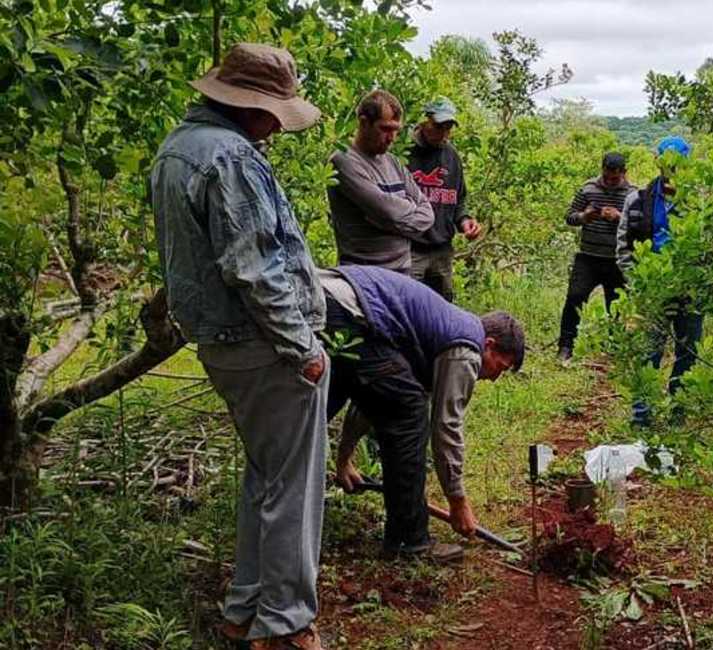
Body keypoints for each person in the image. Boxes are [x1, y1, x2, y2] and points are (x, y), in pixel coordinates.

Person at [150, 43, 328, 650]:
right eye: (275, 114)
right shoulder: (231, 158)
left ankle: (245, 607)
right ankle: (284, 624)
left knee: (267, 478)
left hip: (221, 344)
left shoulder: (177, 149)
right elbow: (255, 270)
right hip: (264, 347)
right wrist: (302, 345)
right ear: (252, 109)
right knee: (293, 489)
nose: (278, 127)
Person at [318, 265, 525, 563]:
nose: (494, 378)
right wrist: (458, 501)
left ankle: (288, 507)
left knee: (320, 411)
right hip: (347, 312)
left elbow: (370, 397)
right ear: (488, 345)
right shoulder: (466, 349)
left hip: (325, 302)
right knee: (410, 411)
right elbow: (446, 428)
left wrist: (344, 460)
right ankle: (408, 542)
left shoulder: (433, 337)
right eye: (500, 367)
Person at [615, 136, 703, 427]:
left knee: (687, 354)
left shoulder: (701, 200)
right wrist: (638, 284)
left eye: (678, 164)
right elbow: (624, 246)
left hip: (689, 291)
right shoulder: (638, 199)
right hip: (651, 291)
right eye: (667, 163)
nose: (672, 170)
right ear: (658, 162)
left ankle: (679, 412)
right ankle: (642, 416)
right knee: (648, 353)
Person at [328, 89, 434, 272]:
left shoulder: (393, 162)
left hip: (403, 272)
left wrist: (390, 219)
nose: (391, 138)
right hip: (365, 274)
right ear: (364, 123)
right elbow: (386, 211)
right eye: (385, 129)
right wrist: (406, 209)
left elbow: (428, 213)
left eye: (396, 130)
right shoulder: (344, 161)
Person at [556, 152, 635, 361]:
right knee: (574, 298)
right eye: (606, 177)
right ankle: (565, 347)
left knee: (616, 306)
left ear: (624, 173)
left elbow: (639, 226)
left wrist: (620, 218)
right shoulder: (588, 188)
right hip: (588, 257)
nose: (609, 182)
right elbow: (570, 217)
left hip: (616, 260)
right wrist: (584, 216)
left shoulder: (633, 194)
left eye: (614, 178)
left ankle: (614, 349)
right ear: (602, 170)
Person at [407, 97, 482, 301]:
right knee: (410, 306)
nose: (444, 134)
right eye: (439, 126)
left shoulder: (451, 156)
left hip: (442, 251)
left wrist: (466, 222)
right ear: (425, 121)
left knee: (442, 308)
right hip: (411, 250)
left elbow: (459, 200)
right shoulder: (404, 153)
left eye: (448, 128)